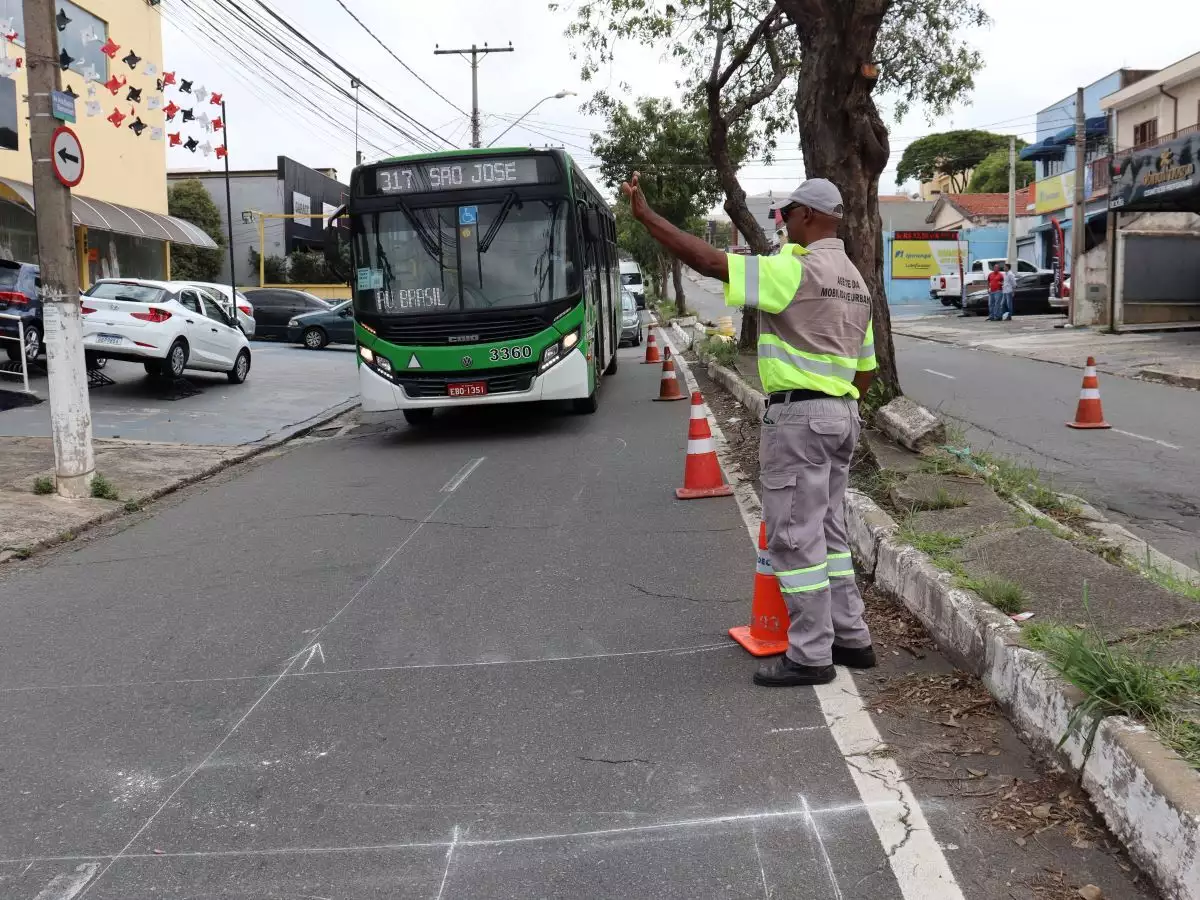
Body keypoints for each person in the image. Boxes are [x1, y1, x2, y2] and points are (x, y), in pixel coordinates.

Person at [621, 172, 877, 687]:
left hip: (800, 419)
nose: (782, 225)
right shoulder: (856, 282)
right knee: (829, 532)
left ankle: (810, 655)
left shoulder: (795, 269)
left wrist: (647, 217)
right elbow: (866, 368)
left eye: (786, 216)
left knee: (794, 538)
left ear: (807, 216)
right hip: (842, 416)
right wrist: (834, 405)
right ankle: (852, 638)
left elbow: (711, 262)